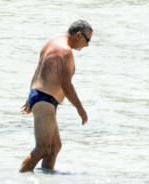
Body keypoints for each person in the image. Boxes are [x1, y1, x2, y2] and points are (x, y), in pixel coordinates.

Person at [19, 20, 93, 172]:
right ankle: (19, 180)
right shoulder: (65, 51)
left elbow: (39, 70)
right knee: (43, 147)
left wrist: (30, 95)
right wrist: (80, 108)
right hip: (44, 99)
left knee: (54, 147)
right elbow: (66, 84)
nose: (87, 45)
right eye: (87, 40)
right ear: (79, 35)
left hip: (40, 96)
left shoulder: (51, 43)